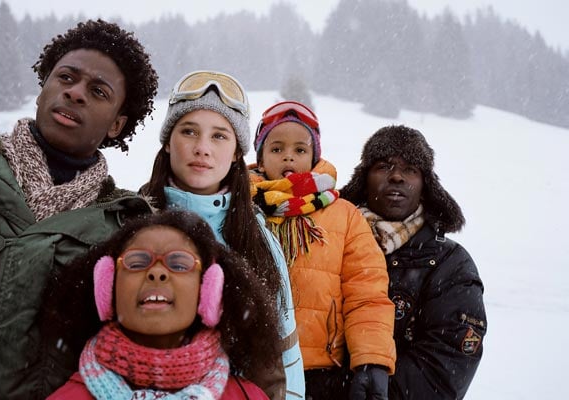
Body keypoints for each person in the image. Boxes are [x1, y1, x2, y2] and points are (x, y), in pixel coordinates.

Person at [0, 19, 158, 399]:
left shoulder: (124, 229)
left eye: (98, 92)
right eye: (66, 78)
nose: (75, 93)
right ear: (42, 90)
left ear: (117, 124)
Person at [140, 71, 304, 400]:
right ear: (168, 143)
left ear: (235, 154)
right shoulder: (133, 222)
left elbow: (285, 349)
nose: (202, 148)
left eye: (219, 136)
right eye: (189, 131)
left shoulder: (258, 237)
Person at [42, 209, 281, 399]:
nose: (157, 273)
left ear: (210, 289)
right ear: (107, 285)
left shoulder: (248, 396)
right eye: (136, 262)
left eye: (178, 264)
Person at [249, 100, 396, 400]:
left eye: (300, 150)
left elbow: (366, 295)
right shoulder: (239, 209)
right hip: (249, 370)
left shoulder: (344, 215)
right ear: (260, 160)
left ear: (315, 157)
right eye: (276, 149)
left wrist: (371, 360)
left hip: (322, 375)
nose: (288, 156)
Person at [339, 125, 487, 400]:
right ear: (363, 180)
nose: (396, 176)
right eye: (384, 166)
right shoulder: (327, 243)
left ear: (425, 186)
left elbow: (444, 369)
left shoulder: (451, 264)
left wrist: (353, 390)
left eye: (411, 169)